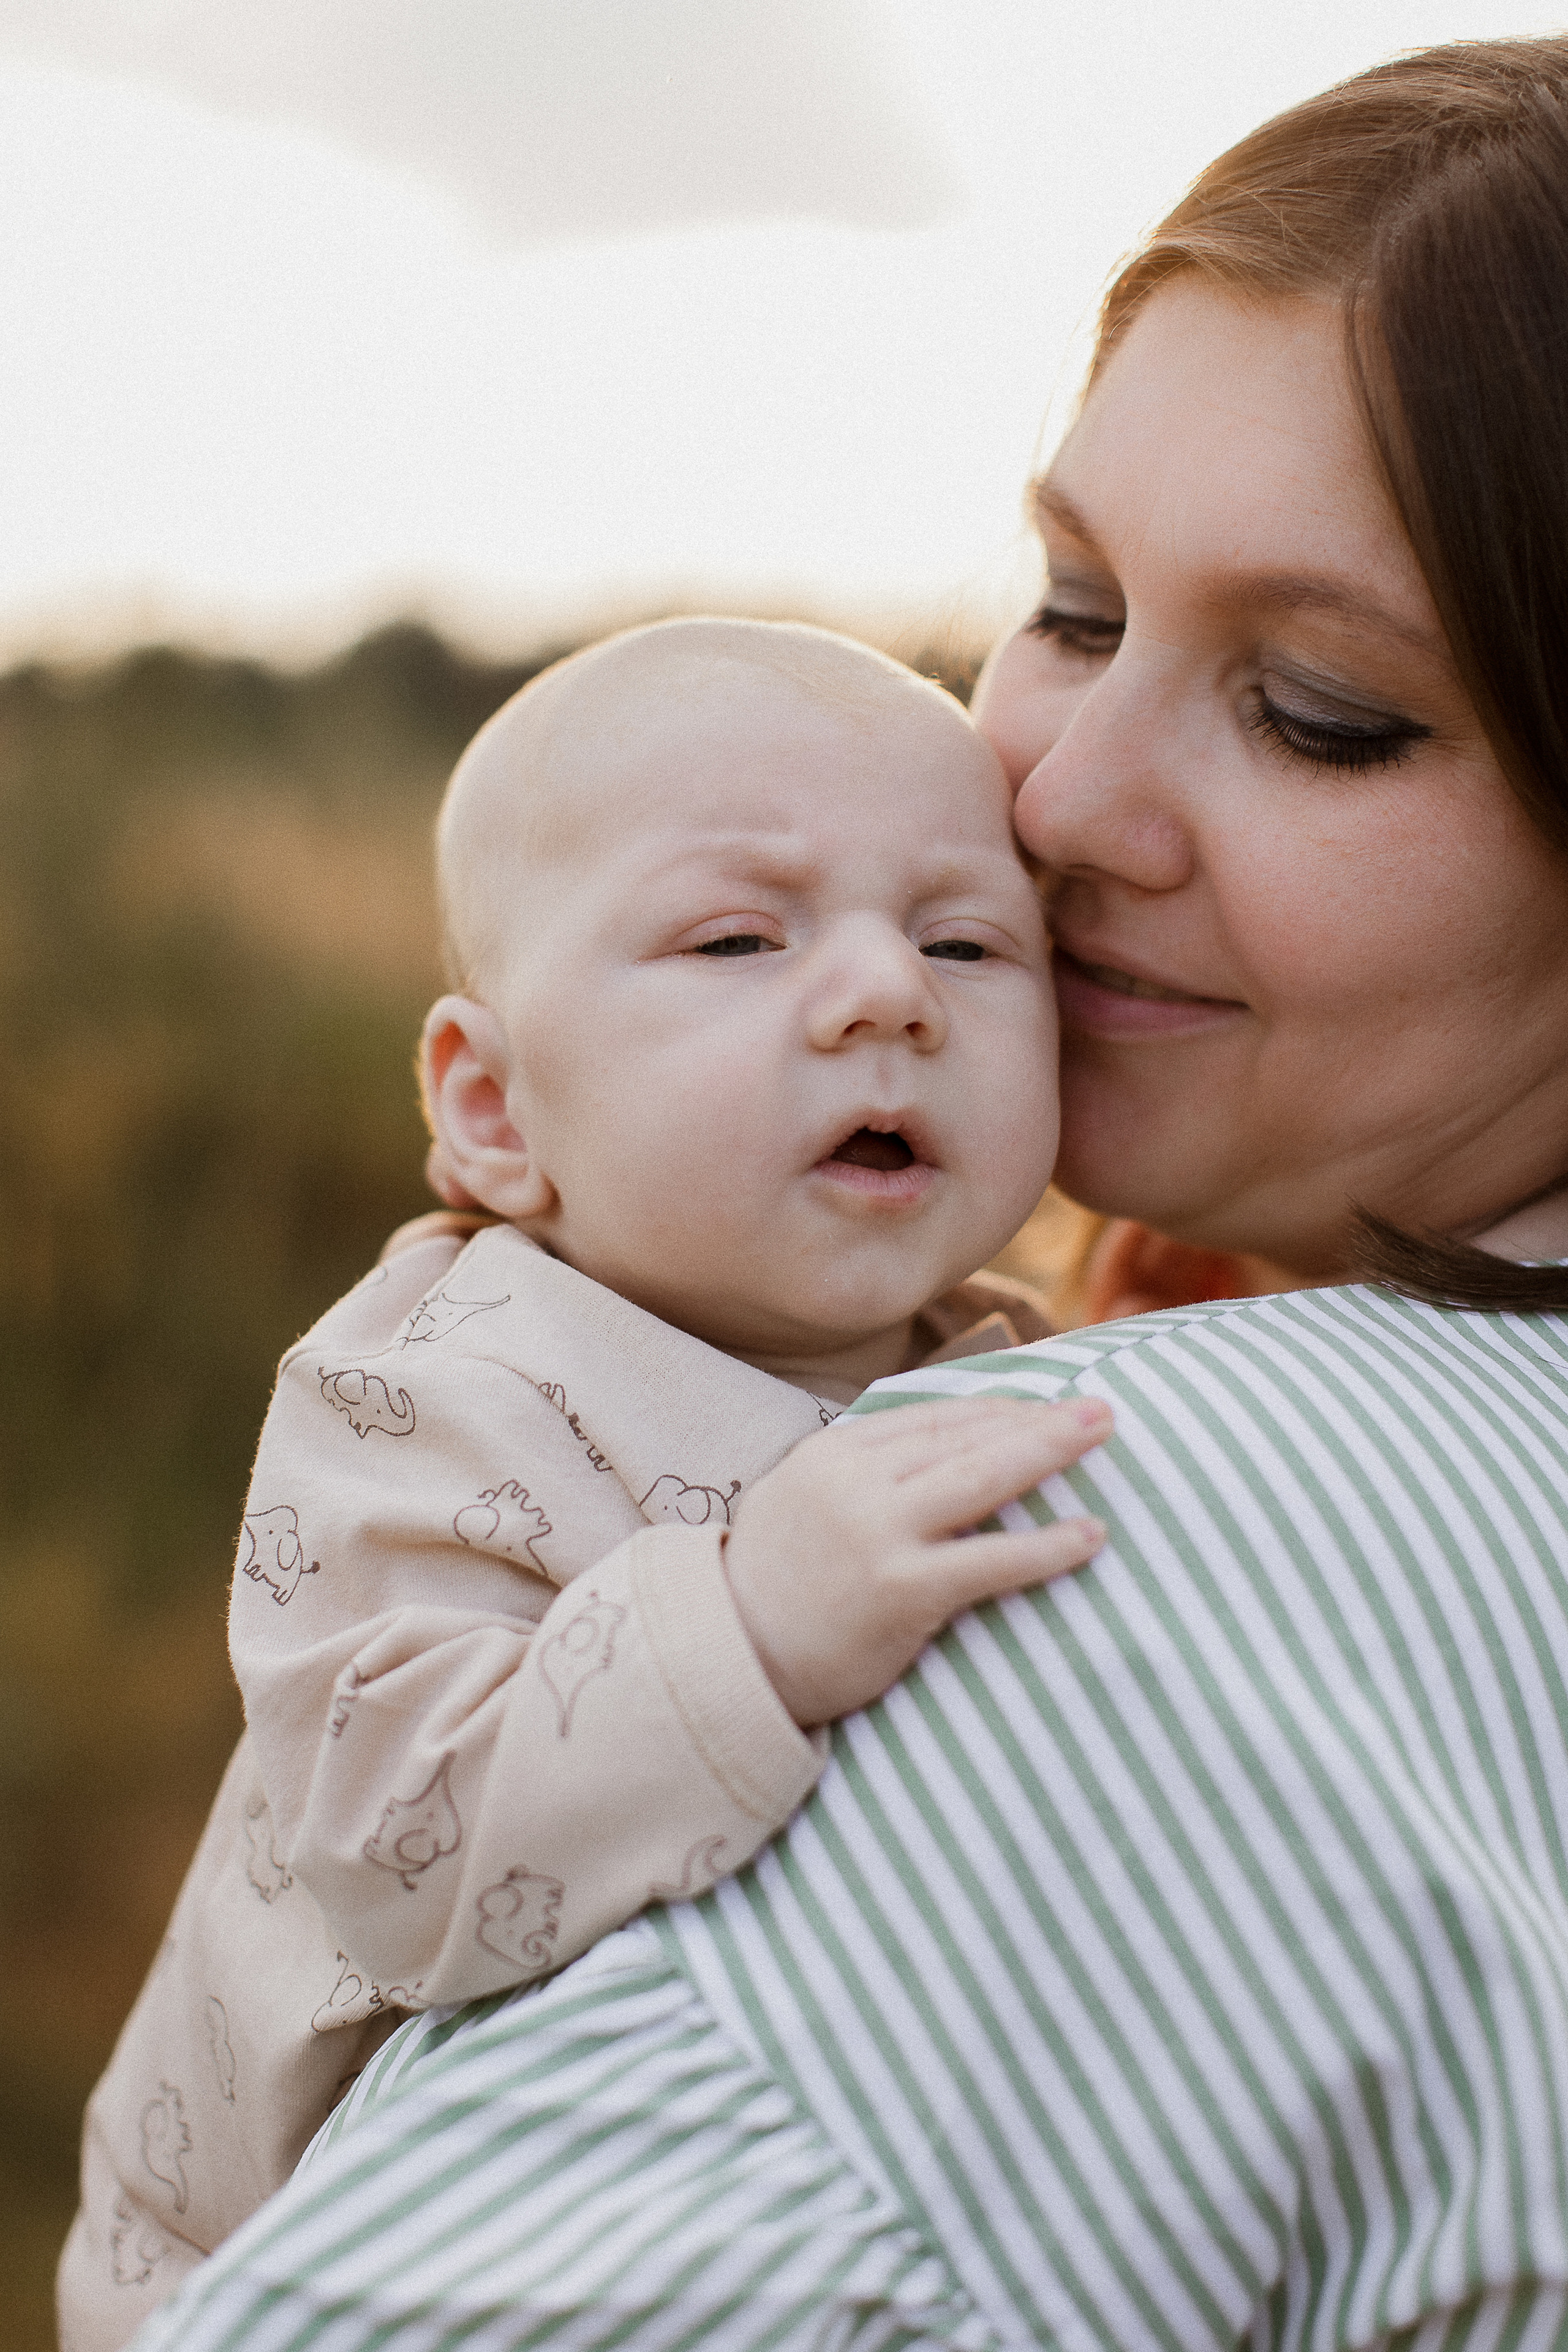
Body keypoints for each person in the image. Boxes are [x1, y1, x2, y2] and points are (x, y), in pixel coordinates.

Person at [59, 619, 1116, 2350]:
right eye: (737, 938)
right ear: (493, 1108)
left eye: (967, 940)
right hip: (294, 2254)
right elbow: (394, 1846)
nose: (890, 993)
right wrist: (750, 1624)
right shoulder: (431, 1395)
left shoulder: (1013, 1366)